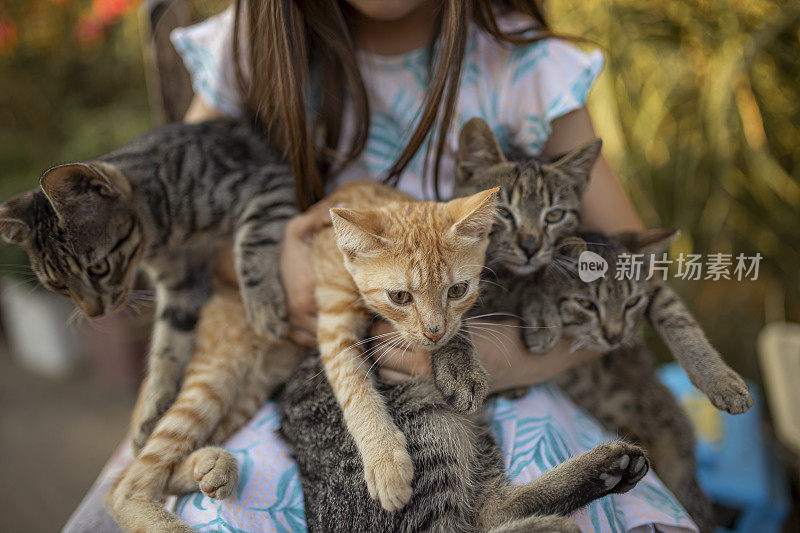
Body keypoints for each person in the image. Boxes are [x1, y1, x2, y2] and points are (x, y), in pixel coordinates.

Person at [72, 1, 698, 531]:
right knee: (234, 507)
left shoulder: (526, 66)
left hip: (500, 366)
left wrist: (496, 356)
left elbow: (630, 275)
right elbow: (173, 229)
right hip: (298, 370)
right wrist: (262, 265)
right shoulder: (254, 45)